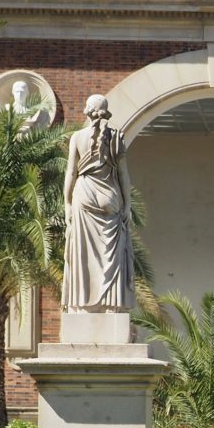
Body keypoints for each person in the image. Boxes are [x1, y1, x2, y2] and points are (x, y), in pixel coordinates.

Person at [62, 93, 135, 311]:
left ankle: (83, 303)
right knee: (110, 253)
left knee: (83, 253)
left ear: (88, 109)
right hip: (109, 194)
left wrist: (66, 203)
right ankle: (111, 303)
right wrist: (128, 203)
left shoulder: (77, 137)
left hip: (84, 192)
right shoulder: (117, 137)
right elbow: (123, 174)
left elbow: (71, 172)